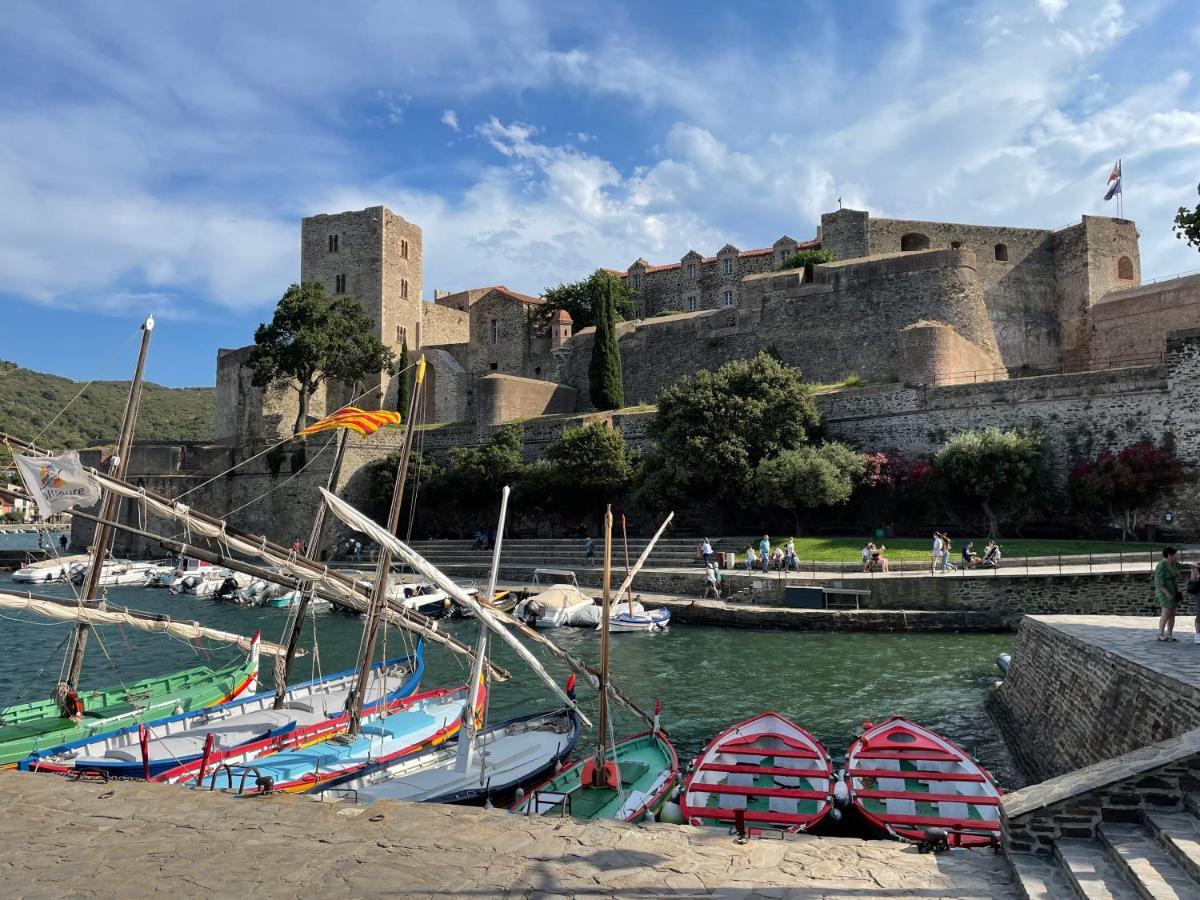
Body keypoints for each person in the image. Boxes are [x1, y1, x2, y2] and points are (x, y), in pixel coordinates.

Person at [1154, 546, 1186, 642]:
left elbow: (1182, 566)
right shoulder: (1161, 566)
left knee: (1172, 613)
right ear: (1169, 555)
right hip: (1164, 592)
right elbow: (1159, 583)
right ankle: (1160, 634)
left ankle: (1169, 634)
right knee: (1166, 612)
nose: (1177, 556)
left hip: (1173, 591)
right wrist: (1167, 593)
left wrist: (1193, 566)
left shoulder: (1173, 563)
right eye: (1175, 554)